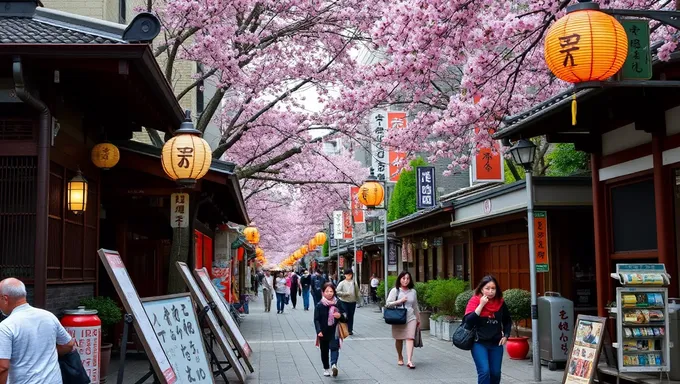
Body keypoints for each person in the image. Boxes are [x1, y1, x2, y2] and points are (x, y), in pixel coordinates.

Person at [0, 277, 75, 384]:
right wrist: (48, 353)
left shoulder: (6, 326)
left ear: (5, 298)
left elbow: (2, 367)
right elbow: (68, 344)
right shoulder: (48, 316)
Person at [464, 275, 512, 384]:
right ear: (481, 289)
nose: (490, 291)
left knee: (495, 373)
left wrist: (506, 335)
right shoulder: (474, 301)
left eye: (493, 288)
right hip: (479, 342)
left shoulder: (500, 302)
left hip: (496, 343)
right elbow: (468, 321)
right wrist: (481, 305)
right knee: (484, 371)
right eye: (487, 288)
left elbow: (507, 320)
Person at [385, 271, 420, 369]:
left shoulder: (413, 291)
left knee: (410, 337)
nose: (406, 280)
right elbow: (387, 304)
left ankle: (409, 360)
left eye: (408, 278)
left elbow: (415, 306)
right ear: (399, 279)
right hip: (398, 317)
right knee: (399, 339)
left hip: (410, 317)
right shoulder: (395, 291)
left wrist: (418, 318)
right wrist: (399, 301)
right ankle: (400, 356)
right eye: (403, 278)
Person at [314, 282, 347, 377]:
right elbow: (316, 320)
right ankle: (326, 368)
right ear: (323, 292)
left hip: (335, 330)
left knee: (334, 348)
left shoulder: (338, 303)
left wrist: (340, 315)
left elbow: (345, 317)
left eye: (331, 291)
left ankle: (333, 365)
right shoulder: (320, 305)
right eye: (327, 291)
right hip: (323, 332)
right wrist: (318, 331)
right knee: (324, 351)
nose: (329, 293)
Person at [336, 268, 360, 335]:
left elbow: (357, 291)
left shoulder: (354, 282)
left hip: (353, 301)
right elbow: (337, 291)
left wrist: (358, 299)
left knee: (351, 316)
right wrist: (345, 294)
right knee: (345, 315)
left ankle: (350, 329)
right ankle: (344, 329)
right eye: (347, 274)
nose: (349, 275)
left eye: (350, 274)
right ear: (345, 275)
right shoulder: (342, 283)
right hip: (344, 301)